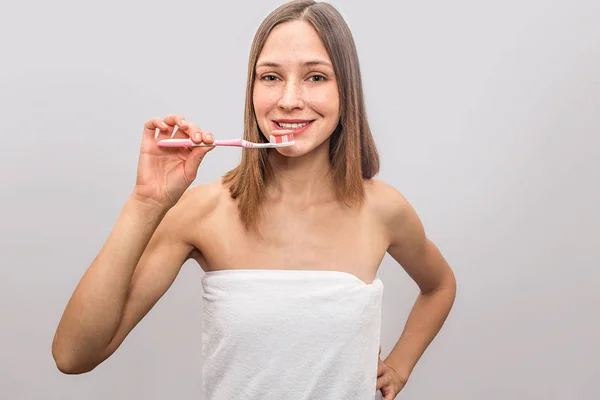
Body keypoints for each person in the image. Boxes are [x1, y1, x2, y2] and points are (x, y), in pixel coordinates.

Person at [52, 1, 456, 399]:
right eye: (271, 77)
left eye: (316, 77)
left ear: (346, 90)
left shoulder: (383, 210)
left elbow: (439, 286)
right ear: (252, 88)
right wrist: (146, 203)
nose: (289, 100)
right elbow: (74, 355)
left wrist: (400, 366)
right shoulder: (203, 212)